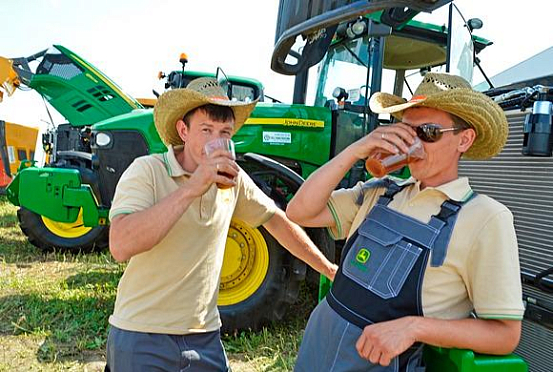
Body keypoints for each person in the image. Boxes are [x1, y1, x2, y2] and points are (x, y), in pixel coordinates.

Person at [286, 72, 525, 371]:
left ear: (464, 139)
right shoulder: (380, 192)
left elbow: (505, 334)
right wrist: (354, 151)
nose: (413, 143)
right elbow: (299, 212)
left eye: (427, 132)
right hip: (318, 347)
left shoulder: (486, 218)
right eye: (406, 131)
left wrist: (414, 327)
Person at [104, 77, 337, 372]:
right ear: (183, 130)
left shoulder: (232, 180)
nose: (216, 140)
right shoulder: (147, 171)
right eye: (206, 130)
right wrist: (191, 189)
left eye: (224, 132)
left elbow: (276, 221)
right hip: (142, 334)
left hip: (204, 336)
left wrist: (328, 268)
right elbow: (121, 245)